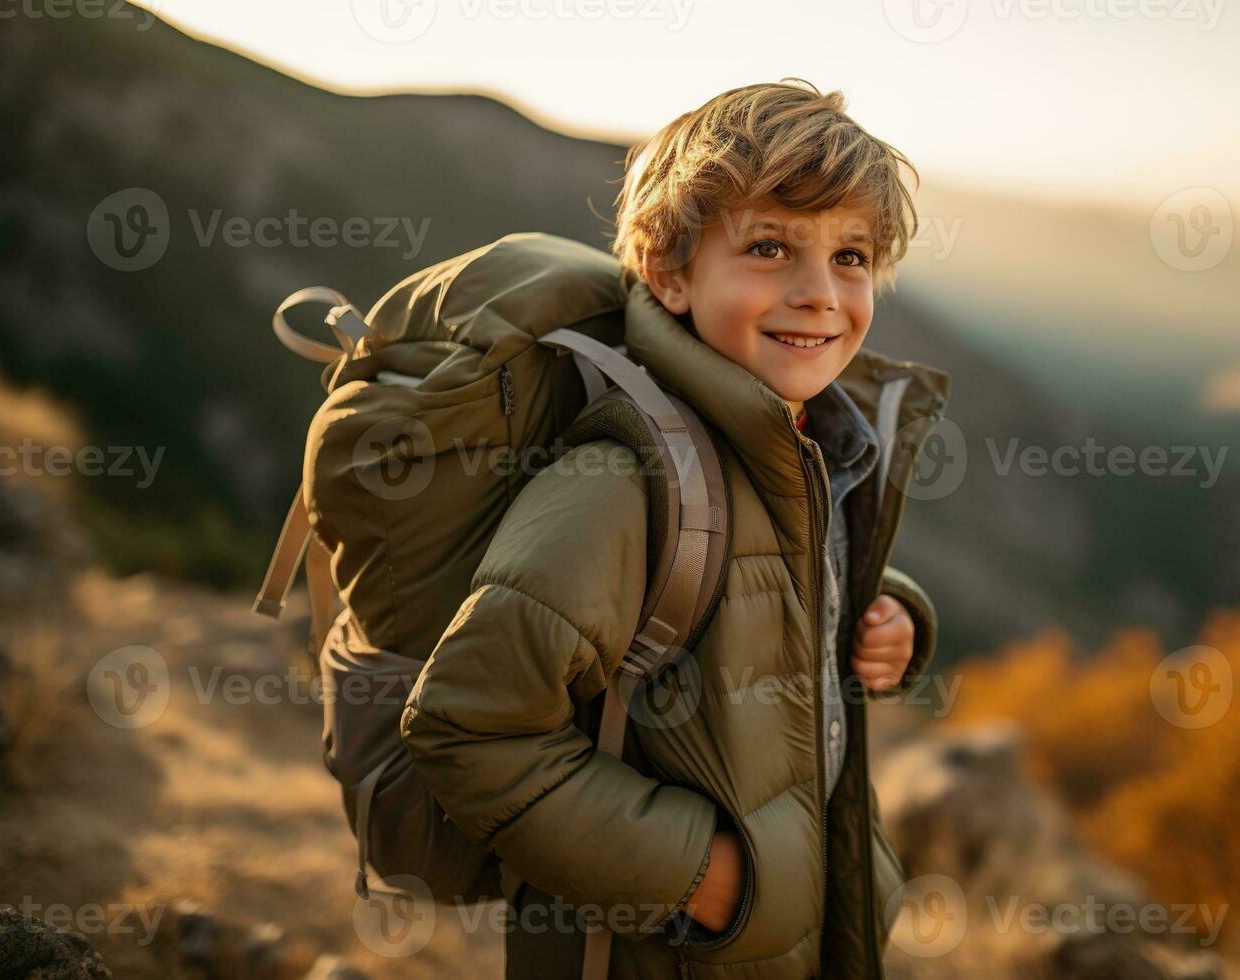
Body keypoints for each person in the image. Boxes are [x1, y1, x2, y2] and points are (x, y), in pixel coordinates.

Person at [401, 77, 949, 979]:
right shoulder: (623, 483)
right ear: (668, 271)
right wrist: (701, 875)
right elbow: (468, 727)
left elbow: (776, 591)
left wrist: (892, 614)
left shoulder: (808, 441)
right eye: (770, 247)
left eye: (850, 257)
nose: (821, 294)